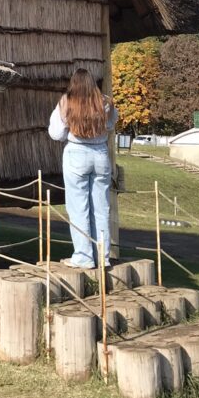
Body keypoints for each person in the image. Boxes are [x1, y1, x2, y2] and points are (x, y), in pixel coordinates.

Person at [47, 68, 118, 269]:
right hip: (100, 153)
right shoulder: (105, 102)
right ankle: (102, 256)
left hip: (77, 152)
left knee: (79, 208)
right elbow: (111, 124)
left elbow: (56, 133)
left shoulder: (67, 101)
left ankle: (83, 256)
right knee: (101, 208)